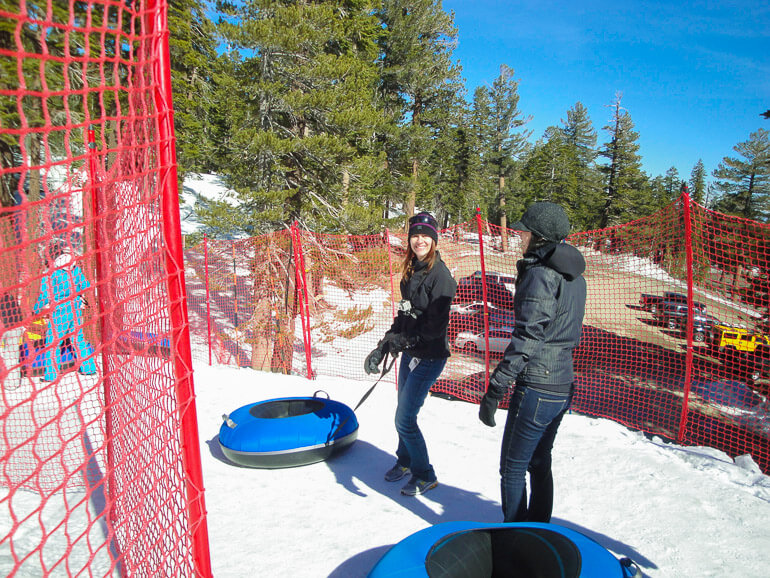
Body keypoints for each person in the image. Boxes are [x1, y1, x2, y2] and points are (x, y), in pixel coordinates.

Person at [478, 202, 586, 523]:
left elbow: (527, 338)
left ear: (539, 237)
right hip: (562, 385)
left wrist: (495, 389)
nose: (520, 235)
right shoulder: (574, 276)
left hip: (537, 386)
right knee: (540, 461)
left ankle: (518, 544)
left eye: (525, 230)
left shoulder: (540, 274)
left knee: (512, 469)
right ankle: (539, 536)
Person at [364, 212, 457, 496]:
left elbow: (433, 328)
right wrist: (384, 345)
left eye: (425, 236)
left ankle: (424, 474)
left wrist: (405, 340)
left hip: (429, 357)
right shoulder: (411, 271)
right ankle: (405, 461)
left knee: (405, 418)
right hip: (411, 354)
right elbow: (404, 315)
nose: (420, 240)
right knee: (401, 412)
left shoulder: (441, 278)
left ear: (434, 240)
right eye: (415, 235)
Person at [33, 246, 97, 381]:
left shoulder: (51, 273)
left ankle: (51, 375)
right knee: (78, 339)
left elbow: (45, 294)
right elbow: (85, 285)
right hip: (75, 308)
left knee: (53, 343)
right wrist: (81, 298)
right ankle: (88, 368)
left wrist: (36, 310)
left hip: (60, 311)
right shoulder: (75, 269)